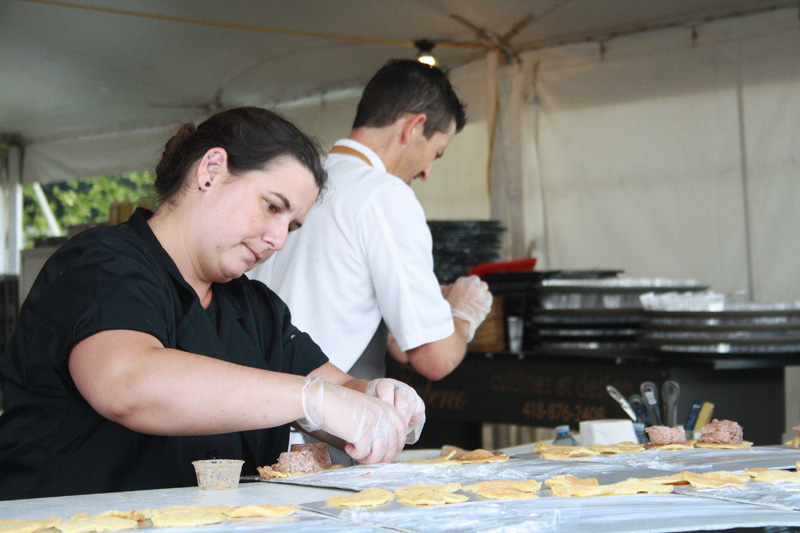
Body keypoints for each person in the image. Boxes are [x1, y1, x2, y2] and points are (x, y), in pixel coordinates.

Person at [0, 107, 424, 500]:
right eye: (271, 206)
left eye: (291, 226)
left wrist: (375, 398)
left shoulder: (254, 307)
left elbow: (334, 387)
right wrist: (310, 399)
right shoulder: (101, 264)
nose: (277, 239)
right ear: (211, 170)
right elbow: (127, 384)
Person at [251, 60, 492, 402]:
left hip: (252, 408)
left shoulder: (302, 177)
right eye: (435, 153)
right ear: (413, 127)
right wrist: (463, 313)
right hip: (316, 424)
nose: (427, 172)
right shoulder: (386, 195)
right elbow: (434, 358)